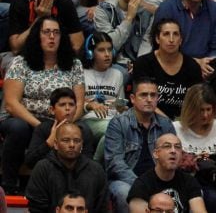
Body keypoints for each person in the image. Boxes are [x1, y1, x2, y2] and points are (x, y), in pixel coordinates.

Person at [0, 17, 85, 194]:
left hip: (62, 120)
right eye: (46, 32)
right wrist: (42, 127)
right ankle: (9, 184)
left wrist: (63, 127)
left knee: (84, 130)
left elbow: (79, 103)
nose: (52, 37)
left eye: (56, 32)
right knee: (17, 128)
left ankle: (78, 187)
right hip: (26, 119)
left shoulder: (74, 64)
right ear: (37, 36)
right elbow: (11, 103)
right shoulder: (21, 62)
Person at [104, 78, 176, 213]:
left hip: (160, 180)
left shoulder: (166, 124)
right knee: (123, 193)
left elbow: (174, 158)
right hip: (126, 180)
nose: (149, 99)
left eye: (153, 95)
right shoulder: (118, 123)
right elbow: (114, 163)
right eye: (144, 95)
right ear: (132, 98)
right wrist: (141, 184)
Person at [26, 120, 108, 213]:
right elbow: (36, 209)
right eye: (66, 140)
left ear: (82, 145)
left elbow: (102, 208)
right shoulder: (43, 168)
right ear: (56, 144)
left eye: (77, 141)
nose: (72, 145)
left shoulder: (96, 170)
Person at [173, 84, 216, 213]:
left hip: (209, 183)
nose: (205, 115)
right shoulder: (176, 128)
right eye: (200, 110)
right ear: (190, 109)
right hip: (182, 181)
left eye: (209, 109)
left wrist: (209, 163)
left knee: (213, 199)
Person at [132, 20, 204, 119]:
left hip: (184, 122)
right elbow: (142, 101)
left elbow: (196, 101)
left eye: (175, 34)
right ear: (157, 39)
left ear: (181, 40)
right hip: (150, 118)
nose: (171, 39)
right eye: (166, 34)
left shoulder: (192, 66)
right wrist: (168, 123)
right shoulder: (143, 64)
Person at [126, 134, 207, 213]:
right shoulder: (141, 185)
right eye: (167, 146)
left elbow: (199, 210)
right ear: (156, 154)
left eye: (177, 147)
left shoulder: (189, 181)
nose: (173, 151)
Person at [7, 0, 83, 55]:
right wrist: (40, 18)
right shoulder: (19, 4)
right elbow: (15, 48)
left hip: (57, 56)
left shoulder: (66, 4)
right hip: (26, 55)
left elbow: (77, 45)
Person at [95, 0, 153, 67]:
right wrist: (129, 18)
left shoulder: (146, 12)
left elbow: (146, 43)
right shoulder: (104, 9)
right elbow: (109, 45)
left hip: (138, 62)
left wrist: (139, 65)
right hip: (112, 62)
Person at [25, 87, 96, 167]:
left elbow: (88, 164)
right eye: (62, 105)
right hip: (49, 174)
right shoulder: (43, 129)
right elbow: (30, 162)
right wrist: (49, 143)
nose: (67, 108)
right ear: (52, 110)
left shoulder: (83, 130)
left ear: (76, 109)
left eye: (71, 105)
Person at [80, 34, 124, 138]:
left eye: (109, 50)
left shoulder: (117, 74)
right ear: (90, 53)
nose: (107, 54)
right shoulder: (81, 73)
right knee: (113, 131)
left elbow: (121, 103)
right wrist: (90, 105)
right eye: (101, 50)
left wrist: (120, 106)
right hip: (90, 119)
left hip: (113, 119)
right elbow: (74, 105)